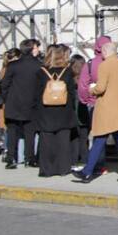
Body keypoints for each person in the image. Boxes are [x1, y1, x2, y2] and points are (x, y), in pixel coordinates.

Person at [74, 40, 118, 183]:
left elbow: (100, 88)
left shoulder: (104, 65)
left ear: (105, 52)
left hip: (107, 109)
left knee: (98, 141)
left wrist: (91, 89)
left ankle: (87, 172)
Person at [0, 38, 44, 169]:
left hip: (13, 103)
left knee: (12, 132)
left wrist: (7, 98)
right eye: (36, 48)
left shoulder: (13, 65)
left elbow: (4, 84)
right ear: (31, 50)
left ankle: (11, 158)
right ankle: (30, 158)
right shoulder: (39, 66)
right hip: (32, 104)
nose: (38, 50)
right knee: (30, 132)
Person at [36, 44, 79, 177]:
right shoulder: (67, 72)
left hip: (45, 110)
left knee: (46, 141)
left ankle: (47, 169)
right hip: (64, 111)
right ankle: (63, 168)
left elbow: (36, 93)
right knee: (63, 141)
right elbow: (72, 93)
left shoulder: (41, 71)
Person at [70, 54, 90, 170]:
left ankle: (73, 159)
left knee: (74, 138)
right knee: (84, 137)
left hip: (73, 113)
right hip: (84, 111)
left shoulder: (70, 79)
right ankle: (84, 158)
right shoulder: (85, 80)